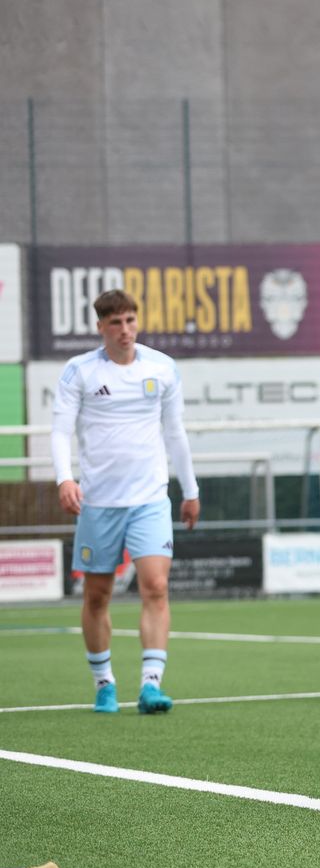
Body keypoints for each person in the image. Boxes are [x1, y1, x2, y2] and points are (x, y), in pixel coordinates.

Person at [51, 289, 200, 715]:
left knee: (156, 586)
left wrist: (189, 490)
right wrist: (65, 479)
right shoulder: (78, 371)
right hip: (97, 503)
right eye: (115, 323)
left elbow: (176, 433)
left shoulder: (162, 368)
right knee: (98, 595)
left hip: (150, 499)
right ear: (100, 327)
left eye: (131, 320)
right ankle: (104, 683)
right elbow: (61, 432)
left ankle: (151, 685)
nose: (125, 330)